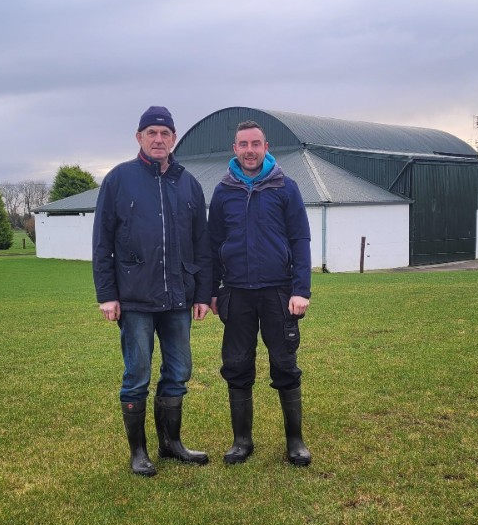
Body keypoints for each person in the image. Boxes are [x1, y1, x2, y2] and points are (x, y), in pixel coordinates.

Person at [92, 106, 212, 477]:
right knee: (137, 374)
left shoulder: (188, 182)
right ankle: (139, 452)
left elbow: (201, 244)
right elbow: (102, 243)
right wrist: (107, 294)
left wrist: (202, 294)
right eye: (151, 133)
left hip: (178, 298)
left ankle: (171, 444)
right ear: (139, 137)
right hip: (135, 299)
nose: (158, 139)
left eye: (165, 133)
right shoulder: (119, 180)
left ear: (174, 138)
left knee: (179, 371)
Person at [208, 120, 313, 466]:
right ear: (234, 149)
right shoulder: (223, 191)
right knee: (236, 365)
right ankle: (241, 441)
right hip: (236, 293)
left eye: (256, 144)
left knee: (284, 363)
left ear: (267, 147)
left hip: (278, 294)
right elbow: (212, 245)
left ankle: (295, 441)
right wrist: (212, 291)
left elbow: (300, 240)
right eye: (243, 144)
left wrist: (301, 289)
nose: (250, 150)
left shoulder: (286, 187)